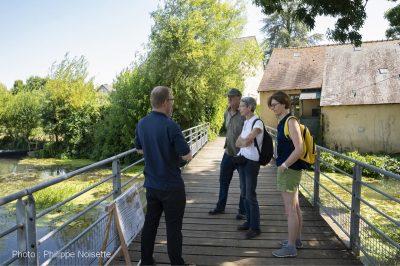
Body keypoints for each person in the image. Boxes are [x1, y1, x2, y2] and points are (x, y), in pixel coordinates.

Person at [135, 86, 192, 266]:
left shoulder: (142, 123)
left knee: (150, 225)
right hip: (172, 187)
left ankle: (146, 261)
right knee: (173, 228)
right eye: (172, 100)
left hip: (151, 185)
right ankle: (177, 263)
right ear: (166, 102)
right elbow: (187, 155)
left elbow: (139, 149)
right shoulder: (170, 125)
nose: (172, 104)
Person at [268, 91, 306, 258]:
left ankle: (291, 247)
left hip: (289, 170)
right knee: (295, 207)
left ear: (284, 103)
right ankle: (296, 240)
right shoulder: (283, 121)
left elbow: (300, 149)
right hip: (290, 169)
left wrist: (283, 165)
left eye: (275, 104)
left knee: (289, 210)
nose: (272, 108)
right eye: (271, 105)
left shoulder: (290, 121)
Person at [209, 88, 246, 220]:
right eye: (228, 97)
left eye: (232, 97)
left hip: (242, 156)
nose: (229, 99)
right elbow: (229, 131)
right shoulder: (227, 112)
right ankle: (220, 207)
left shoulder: (245, 114)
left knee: (244, 185)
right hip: (228, 153)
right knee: (223, 181)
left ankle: (243, 211)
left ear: (239, 97)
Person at [235, 97, 263, 239]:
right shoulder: (246, 122)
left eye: (242, 106)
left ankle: (255, 227)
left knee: (250, 195)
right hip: (243, 160)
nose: (239, 108)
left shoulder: (257, 122)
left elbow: (247, 141)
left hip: (251, 162)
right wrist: (243, 142)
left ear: (250, 107)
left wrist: (243, 141)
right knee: (244, 193)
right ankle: (249, 222)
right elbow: (238, 141)